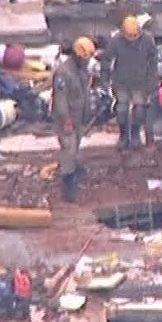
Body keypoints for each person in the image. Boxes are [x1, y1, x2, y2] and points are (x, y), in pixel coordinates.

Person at [52, 37, 96, 201]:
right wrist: (66, 120)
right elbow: (60, 99)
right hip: (68, 117)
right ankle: (68, 181)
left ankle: (73, 168)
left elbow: (84, 91)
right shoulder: (64, 73)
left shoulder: (81, 69)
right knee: (68, 148)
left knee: (76, 143)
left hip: (78, 116)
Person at [105, 15, 159, 149]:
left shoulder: (147, 39)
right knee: (121, 110)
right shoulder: (115, 41)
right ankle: (123, 136)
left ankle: (135, 135)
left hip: (141, 81)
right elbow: (106, 61)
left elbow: (153, 61)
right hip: (121, 82)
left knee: (140, 110)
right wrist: (105, 80)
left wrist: (152, 80)